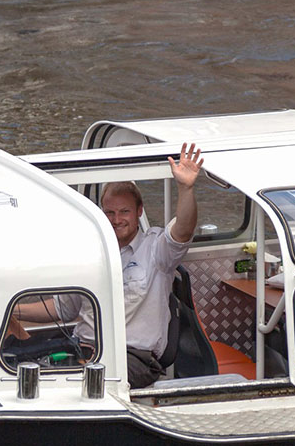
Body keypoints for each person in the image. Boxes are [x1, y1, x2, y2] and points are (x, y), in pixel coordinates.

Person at [18, 144, 204, 388]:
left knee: (75, 384)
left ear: (139, 211)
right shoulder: (89, 252)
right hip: (82, 349)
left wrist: (186, 188)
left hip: (134, 358)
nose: (116, 220)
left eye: (124, 211)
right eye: (109, 212)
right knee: (17, 363)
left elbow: (183, 230)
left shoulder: (157, 250)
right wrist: (13, 312)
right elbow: (63, 310)